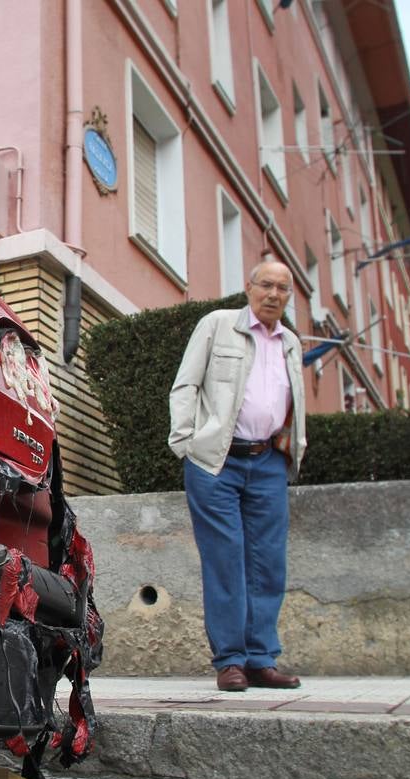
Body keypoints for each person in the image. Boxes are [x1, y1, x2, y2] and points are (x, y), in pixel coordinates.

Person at [168, 259, 307, 691]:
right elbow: (186, 384)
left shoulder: (290, 344)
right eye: (265, 284)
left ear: (288, 297)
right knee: (225, 560)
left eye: (282, 288)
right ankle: (230, 660)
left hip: (268, 462)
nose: (273, 294)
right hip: (216, 461)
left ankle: (261, 659)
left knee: (268, 564)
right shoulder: (218, 324)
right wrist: (184, 440)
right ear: (248, 288)